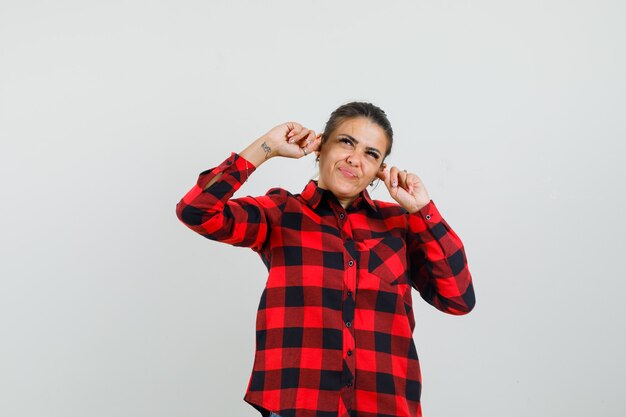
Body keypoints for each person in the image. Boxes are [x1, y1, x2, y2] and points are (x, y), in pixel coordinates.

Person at [175, 101, 475, 417]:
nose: (355, 160)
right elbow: (196, 210)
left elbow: (458, 299)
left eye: (371, 154)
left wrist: (422, 209)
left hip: (385, 408)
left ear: (379, 170)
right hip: (299, 406)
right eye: (347, 142)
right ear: (320, 146)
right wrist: (268, 146)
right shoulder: (281, 213)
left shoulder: (400, 224)